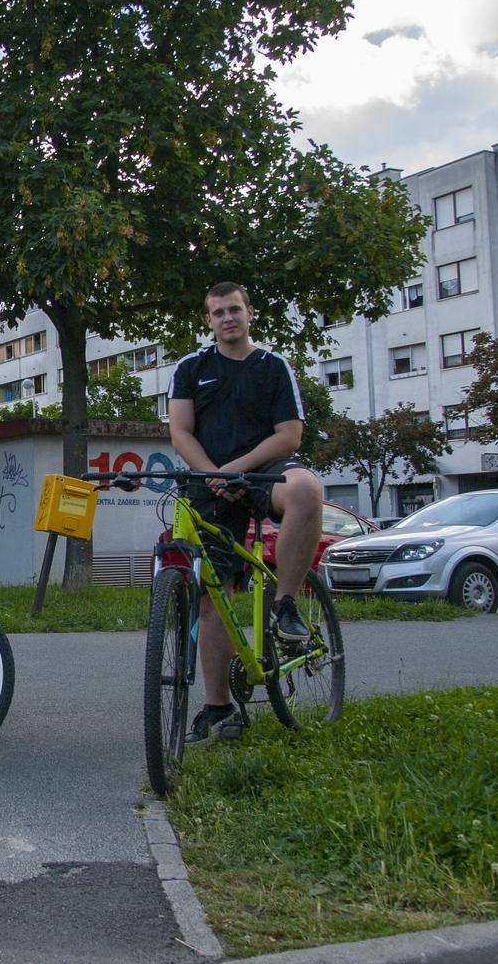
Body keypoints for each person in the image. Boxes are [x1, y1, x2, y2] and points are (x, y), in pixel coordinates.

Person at [168, 281, 323, 744]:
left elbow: (290, 434)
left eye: (234, 310)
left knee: (306, 489)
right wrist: (215, 476)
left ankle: (286, 605)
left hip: (261, 471)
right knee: (214, 594)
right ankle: (219, 709)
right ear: (209, 319)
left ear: (250, 312)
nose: (227, 318)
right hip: (209, 477)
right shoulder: (191, 367)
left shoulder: (273, 367)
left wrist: (237, 471)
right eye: (218, 313)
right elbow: (180, 431)